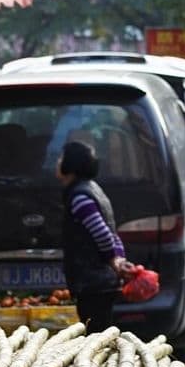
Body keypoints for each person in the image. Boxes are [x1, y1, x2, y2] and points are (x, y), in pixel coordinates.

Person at [56, 139, 133, 332]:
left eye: (61, 158)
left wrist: (113, 260)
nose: (57, 162)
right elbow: (111, 232)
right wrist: (119, 258)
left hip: (93, 283)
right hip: (100, 282)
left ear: (70, 165)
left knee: (95, 335)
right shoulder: (92, 189)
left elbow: (102, 232)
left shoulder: (80, 197)